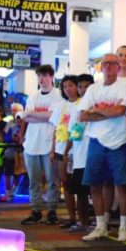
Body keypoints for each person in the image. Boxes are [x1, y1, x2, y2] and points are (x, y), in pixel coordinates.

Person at [80, 53, 126, 242]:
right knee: (95, 184)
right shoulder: (93, 89)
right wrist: (108, 113)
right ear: (101, 67)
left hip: (119, 141)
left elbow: (121, 111)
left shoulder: (125, 87)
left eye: (113, 63)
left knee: (122, 184)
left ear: (118, 67)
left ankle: (123, 226)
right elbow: (83, 115)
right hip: (96, 140)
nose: (110, 66)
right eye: (106, 63)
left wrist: (97, 110)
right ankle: (100, 226)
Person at [20, 64, 62, 225]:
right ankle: (35, 210)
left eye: (45, 75)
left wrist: (32, 114)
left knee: (53, 179)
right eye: (39, 76)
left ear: (51, 77)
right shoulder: (33, 96)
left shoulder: (58, 96)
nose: (42, 79)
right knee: (34, 180)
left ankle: (52, 210)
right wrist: (37, 115)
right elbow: (26, 118)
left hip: (49, 143)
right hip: (31, 144)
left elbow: (53, 116)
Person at [63, 74, 95, 231]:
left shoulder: (96, 104)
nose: (83, 90)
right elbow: (72, 132)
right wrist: (67, 151)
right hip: (80, 154)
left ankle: (98, 221)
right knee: (81, 192)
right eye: (80, 86)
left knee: (96, 190)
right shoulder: (76, 107)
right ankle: (82, 221)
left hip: (94, 152)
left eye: (86, 86)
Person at [52, 75, 81, 228]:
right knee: (66, 184)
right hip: (60, 148)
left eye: (71, 85)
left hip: (76, 150)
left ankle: (83, 218)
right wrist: (52, 150)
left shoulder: (81, 103)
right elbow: (55, 128)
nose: (68, 89)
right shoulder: (61, 106)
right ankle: (72, 218)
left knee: (78, 184)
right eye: (64, 87)